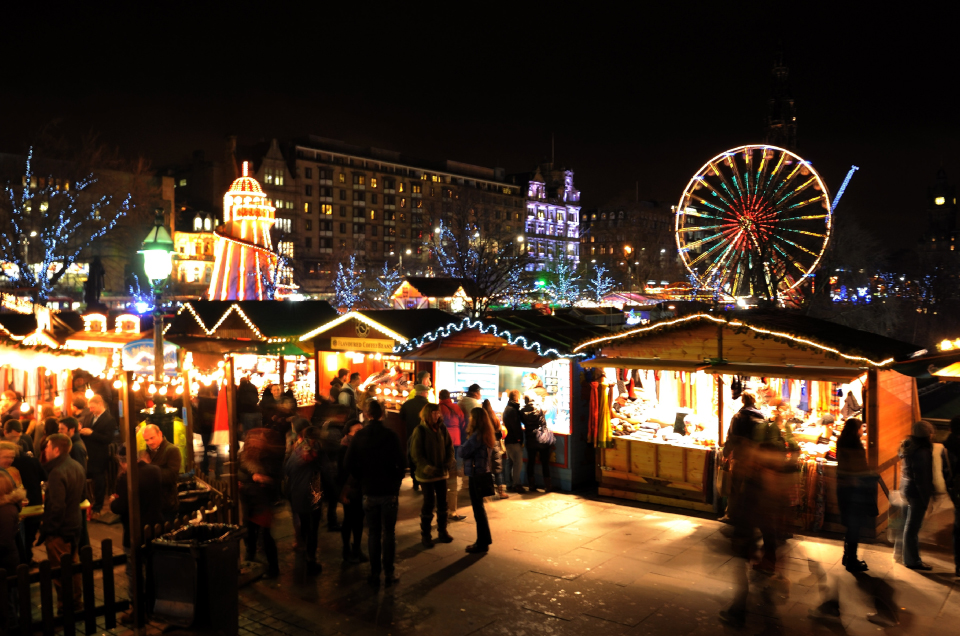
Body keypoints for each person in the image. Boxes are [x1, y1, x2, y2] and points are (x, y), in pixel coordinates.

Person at [343, 399, 405, 587]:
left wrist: (361, 479)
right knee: (389, 533)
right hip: (388, 490)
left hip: (368, 490)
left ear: (367, 414)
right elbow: (402, 464)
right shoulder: (391, 436)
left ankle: (374, 573)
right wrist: (396, 483)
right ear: (382, 414)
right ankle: (389, 572)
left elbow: (348, 464)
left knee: (373, 533)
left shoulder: (359, 437)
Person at [110, 445, 162, 623]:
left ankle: (138, 610)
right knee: (153, 568)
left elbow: (120, 507)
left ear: (123, 462)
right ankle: (155, 605)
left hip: (135, 531)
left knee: (134, 571)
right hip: (155, 527)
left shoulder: (126, 478)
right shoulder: (155, 471)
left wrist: (112, 502)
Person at [37, 433, 85, 611]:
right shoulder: (76, 465)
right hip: (74, 525)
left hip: (61, 530)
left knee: (59, 570)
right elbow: (82, 496)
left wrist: (49, 528)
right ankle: (76, 601)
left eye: (47, 447)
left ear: (56, 450)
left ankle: (66, 605)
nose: (45, 450)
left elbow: (57, 507)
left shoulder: (57, 472)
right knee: (73, 565)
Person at [239, 428, 284, 578]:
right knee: (249, 533)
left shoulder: (270, 457)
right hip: (248, 499)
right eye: (252, 439)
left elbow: (276, 479)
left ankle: (273, 569)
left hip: (262, 501)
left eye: (258, 439)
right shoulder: (245, 455)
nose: (254, 442)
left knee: (265, 536)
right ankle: (249, 561)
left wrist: (264, 479)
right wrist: (248, 478)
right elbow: (241, 471)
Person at [835, 418, 877, 573]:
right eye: (861, 427)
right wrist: (869, 475)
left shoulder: (842, 442)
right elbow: (858, 468)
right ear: (856, 429)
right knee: (854, 526)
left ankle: (848, 557)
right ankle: (851, 559)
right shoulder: (854, 446)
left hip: (843, 488)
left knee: (851, 526)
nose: (863, 430)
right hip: (854, 490)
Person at [410, 403, 455, 548]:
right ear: (427, 414)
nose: (437, 416)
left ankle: (442, 531)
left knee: (443, 503)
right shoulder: (420, 430)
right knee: (428, 504)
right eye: (434, 413)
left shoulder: (442, 428)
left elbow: (449, 447)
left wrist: (448, 462)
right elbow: (416, 453)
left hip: (442, 473)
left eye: (438, 413)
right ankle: (426, 535)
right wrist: (428, 468)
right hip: (426, 475)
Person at [898, 420, 940, 571]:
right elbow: (922, 478)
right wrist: (926, 498)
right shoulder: (922, 452)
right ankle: (912, 560)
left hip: (906, 488)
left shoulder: (907, 445)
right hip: (916, 492)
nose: (932, 435)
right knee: (912, 527)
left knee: (906, 524)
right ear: (926, 435)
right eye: (930, 432)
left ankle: (901, 555)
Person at [284, 426, 324, 577]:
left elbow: (287, 470)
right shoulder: (317, 453)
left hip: (298, 494)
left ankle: (306, 551)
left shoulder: (296, 451)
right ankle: (311, 559)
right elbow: (324, 471)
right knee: (313, 528)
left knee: (306, 526)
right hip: (314, 491)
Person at [461, 408, 497, 553]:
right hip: (484, 473)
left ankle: (482, 543)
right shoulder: (486, 435)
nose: (469, 419)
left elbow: (462, 452)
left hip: (476, 475)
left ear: (476, 419)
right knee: (479, 508)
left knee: (478, 510)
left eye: (471, 417)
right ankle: (484, 540)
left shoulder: (476, 437)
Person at [4, 438, 44, 564]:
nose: (10, 460)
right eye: (6, 457)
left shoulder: (12, 471)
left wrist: (20, 497)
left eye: (11, 457)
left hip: (15, 515)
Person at [82, 395, 117, 516]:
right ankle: (87, 503)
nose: (90, 410)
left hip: (99, 455)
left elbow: (108, 439)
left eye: (92, 407)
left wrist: (92, 434)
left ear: (100, 404)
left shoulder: (109, 419)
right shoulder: (89, 417)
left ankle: (98, 506)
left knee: (99, 481)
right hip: (88, 454)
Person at [338, 419, 366, 563]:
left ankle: (357, 548)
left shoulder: (362, 446)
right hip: (349, 489)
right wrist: (343, 492)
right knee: (349, 520)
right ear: (348, 432)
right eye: (357, 431)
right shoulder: (344, 447)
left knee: (359, 520)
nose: (360, 434)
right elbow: (342, 472)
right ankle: (346, 549)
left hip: (360, 488)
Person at [141, 424, 182, 523]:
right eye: (146, 440)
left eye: (152, 438)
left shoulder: (172, 450)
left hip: (166, 502)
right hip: (150, 503)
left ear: (160, 434)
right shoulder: (145, 452)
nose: (150, 442)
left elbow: (171, 475)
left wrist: (149, 470)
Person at [438, 389, 467, 520]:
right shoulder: (455, 407)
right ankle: (454, 475)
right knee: (454, 462)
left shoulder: (438, 408)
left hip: (443, 440)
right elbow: (463, 422)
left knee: (445, 464)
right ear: (449, 397)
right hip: (456, 438)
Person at [399, 385, 430, 492]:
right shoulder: (428, 406)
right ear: (423, 393)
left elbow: (401, 417)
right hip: (425, 436)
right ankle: (424, 482)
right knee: (424, 457)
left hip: (410, 435)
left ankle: (415, 482)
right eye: (427, 392)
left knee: (412, 457)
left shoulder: (407, 404)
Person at [520, 394, 553, 492]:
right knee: (545, 463)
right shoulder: (539, 408)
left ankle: (531, 485)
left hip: (530, 439)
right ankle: (548, 485)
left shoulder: (522, 412)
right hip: (542, 438)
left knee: (531, 462)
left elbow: (523, 422)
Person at [943, 415, 960, 578]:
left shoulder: (946, 447)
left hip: (956, 491)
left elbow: (945, 472)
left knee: (958, 528)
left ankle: (959, 565)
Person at [482, 398, 508, 499]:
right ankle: (501, 492)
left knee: (486, 469)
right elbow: (501, 432)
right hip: (495, 444)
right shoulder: (494, 418)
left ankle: (487, 492)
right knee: (497, 469)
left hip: (485, 445)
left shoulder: (482, 418)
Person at [502, 390, 525, 493]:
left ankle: (509, 483)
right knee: (517, 463)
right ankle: (517, 484)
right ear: (517, 398)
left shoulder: (508, 409)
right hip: (513, 441)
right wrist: (519, 439)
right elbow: (516, 427)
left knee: (509, 462)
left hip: (508, 440)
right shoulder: (512, 410)